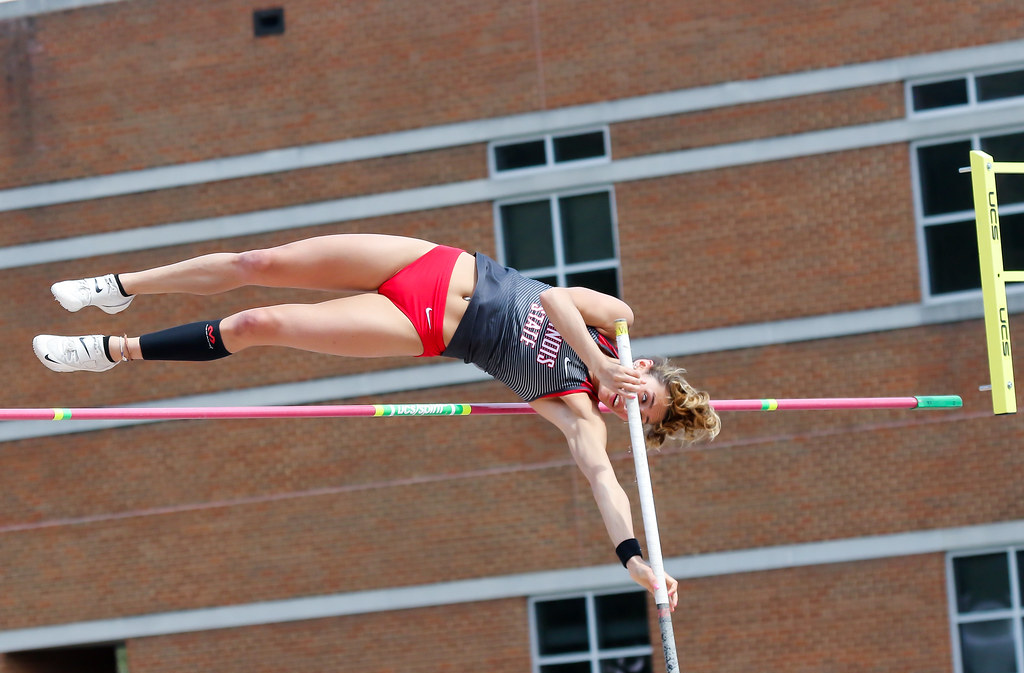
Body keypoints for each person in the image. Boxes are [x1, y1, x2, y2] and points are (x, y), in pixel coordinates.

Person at [33, 233, 720, 607]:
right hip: (436, 263)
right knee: (258, 262)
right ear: (647, 365)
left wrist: (636, 560)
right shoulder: (617, 326)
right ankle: (120, 289)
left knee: (256, 323)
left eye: (637, 415)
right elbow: (558, 301)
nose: (625, 401)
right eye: (642, 393)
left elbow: (603, 478)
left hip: (423, 324)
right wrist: (602, 364)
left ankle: (110, 352)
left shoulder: (577, 411)